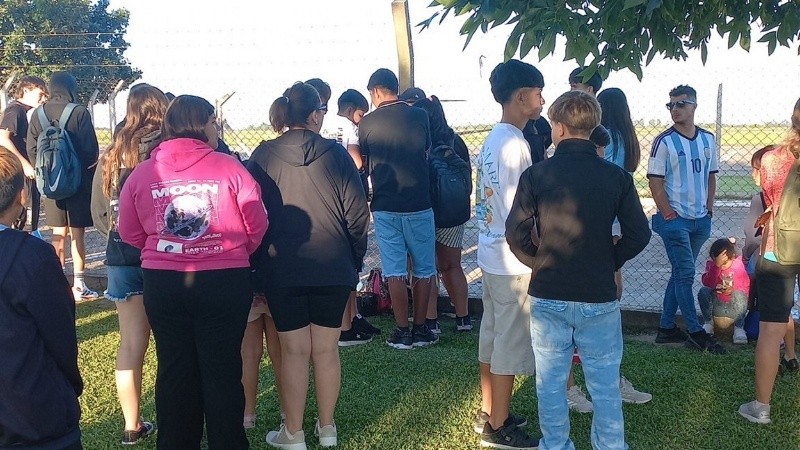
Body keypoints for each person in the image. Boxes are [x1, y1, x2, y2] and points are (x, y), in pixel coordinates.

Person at [118, 95, 268, 449]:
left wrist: (163, 250)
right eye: (214, 122)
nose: (217, 128)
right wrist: (230, 252)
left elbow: (129, 231)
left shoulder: (143, 173)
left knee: (174, 367)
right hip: (223, 280)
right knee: (222, 368)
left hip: (165, 282)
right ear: (202, 125)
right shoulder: (231, 168)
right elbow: (256, 223)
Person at [506, 90, 651, 450]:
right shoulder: (616, 177)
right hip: (598, 294)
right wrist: (610, 260)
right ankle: (611, 445)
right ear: (593, 127)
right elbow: (639, 233)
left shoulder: (537, 175)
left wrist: (537, 261)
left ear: (558, 128)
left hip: (550, 289)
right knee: (604, 382)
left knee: (551, 383)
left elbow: (515, 232)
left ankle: (555, 444)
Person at [248, 82, 369, 450]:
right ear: (315, 114)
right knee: (327, 350)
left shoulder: (262, 155)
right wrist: (354, 258)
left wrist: (257, 263)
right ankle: (327, 428)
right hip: (333, 266)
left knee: (295, 351)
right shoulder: (336, 154)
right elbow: (357, 214)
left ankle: (294, 432)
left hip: (281, 268)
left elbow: (252, 214)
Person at [89, 84, 168, 444]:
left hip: (121, 254)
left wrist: (119, 234)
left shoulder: (113, 151)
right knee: (172, 341)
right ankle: (176, 412)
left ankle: (131, 424)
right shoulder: (167, 146)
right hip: (163, 255)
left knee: (131, 342)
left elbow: (99, 212)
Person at [473, 59, 544, 449]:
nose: (542, 101)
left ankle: (490, 410)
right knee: (510, 343)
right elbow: (523, 209)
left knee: (494, 335)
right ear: (521, 97)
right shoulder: (516, 144)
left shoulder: (494, 138)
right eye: (538, 93)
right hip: (514, 260)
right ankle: (498, 426)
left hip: (491, 254)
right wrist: (537, 250)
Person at [0, 150, 84, 450]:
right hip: (32, 416)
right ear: (22, 195)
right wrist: (69, 386)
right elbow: (60, 334)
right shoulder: (32, 257)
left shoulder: (31, 257)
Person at [358, 68, 438, 350]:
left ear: (376, 91)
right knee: (425, 268)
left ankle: (402, 330)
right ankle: (421, 328)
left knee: (394, 270)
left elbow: (364, 161)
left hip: (385, 204)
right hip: (419, 202)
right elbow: (426, 150)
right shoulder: (419, 115)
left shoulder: (367, 122)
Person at [648, 84, 724, 354]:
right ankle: (695, 332)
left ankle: (666, 328)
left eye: (681, 104)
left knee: (680, 274)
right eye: (671, 105)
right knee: (685, 274)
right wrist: (667, 212)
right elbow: (655, 182)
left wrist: (709, 208)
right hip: (675, 221)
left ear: (694, 106)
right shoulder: (664, 141)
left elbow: (711, 176)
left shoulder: (707, 139)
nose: (675, 110)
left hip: (700, 220)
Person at [738, 98, 800, 424]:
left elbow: (768, 197)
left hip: (779, 248)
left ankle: (761, 408)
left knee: (771, 330)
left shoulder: (773, 159)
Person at [26, 72, 100, 301]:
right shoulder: (79, 112)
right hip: (77, 183)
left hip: (51, 182)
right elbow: (91, 152)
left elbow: (31, 149)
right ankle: (79, 284)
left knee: (58, 233)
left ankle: (58, 283)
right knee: (78, 234)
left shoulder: (38, 114)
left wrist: (46, 172)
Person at [410, 94, 473, 333]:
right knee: (452, 266)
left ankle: (431, 321)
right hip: (453, 213)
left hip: (425, 211)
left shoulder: (419, 144)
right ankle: (463, 318)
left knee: (426, 267)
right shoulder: (456, 141)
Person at [741, 146, 797, 365]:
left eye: (758, 170)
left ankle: (763, 397)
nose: (755, 175)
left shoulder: (763, 199)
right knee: (785, 310)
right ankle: (790, 354)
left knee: (774, 316)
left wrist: (746, 256)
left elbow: (752, 237)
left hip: (773, 257)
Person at [0, 75, 47, 231]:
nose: (42, 99)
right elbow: (3, 138)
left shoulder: (29, 112)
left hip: (26, 172)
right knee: (21, 216)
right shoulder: (15, 111)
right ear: (26, 90)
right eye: (40, 94)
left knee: (29, 216)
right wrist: (24, 164)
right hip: (19, 172)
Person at [697, 238, 750, 344]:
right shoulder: (713, 266)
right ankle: (708, 323)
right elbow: (708, 283)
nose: (722, 266)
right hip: (717, 306)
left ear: (733, 257)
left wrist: (732, 290)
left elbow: (745, 287)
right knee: (703, 291)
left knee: (740, 294)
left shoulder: (738, 266)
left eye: (725, 263)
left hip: (733, 308)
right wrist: (715, 267)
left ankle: (739, 327)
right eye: (717, 262)